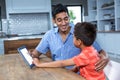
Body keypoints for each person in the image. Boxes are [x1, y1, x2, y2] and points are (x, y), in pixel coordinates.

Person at [30, 3, 109, 71]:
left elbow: (100, 51)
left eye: (66, 19)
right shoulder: (49, 35)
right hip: (57, 73)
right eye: (59, 20)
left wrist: (105, 57)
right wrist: (31, 55)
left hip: (78, 75)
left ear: (69, 17)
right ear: (54, 21)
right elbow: (36, 54)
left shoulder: (79, 32)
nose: (64, 23)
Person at [33, 22, 106, 80]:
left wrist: (39, 64)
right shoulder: (91, 50)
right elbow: (80, 66)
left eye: (73, 36)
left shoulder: (85, 56)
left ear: (79, 41)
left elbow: (62, 63)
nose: (72, 38)